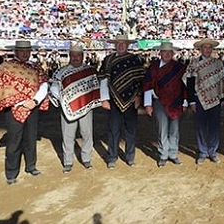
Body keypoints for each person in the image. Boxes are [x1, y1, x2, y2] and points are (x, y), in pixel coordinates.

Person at [0, 40, 50, 185]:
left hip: (33, 107)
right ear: (16, 52)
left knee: (31, 138)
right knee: (14, 140)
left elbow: (44, 84)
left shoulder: (36, 68)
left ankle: (31, 166)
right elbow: (3, 89)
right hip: (14, 109)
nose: (25, 54)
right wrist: (21, 102)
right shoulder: (6, 68)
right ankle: (11, 172)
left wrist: (34, 101)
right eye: (22, 51)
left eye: (27, 51)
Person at [49, 42, 104, 173]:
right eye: (73, 55)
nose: (75, 58)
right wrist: (59, 97)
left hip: (86, 107)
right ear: (69, 56)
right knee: (68, 135)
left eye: (78, 55)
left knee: (87, 133)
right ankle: (68, 161)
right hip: (68, 109)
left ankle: (86, 159)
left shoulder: (90, 71)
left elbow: (96, 86)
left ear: (83, 56)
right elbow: (54, 87)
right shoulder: (61, 72)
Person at [98, 34, 145, 169]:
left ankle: (130, 157)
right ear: (115, 45)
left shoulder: (135, 59)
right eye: (118, 43)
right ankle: (112, 157)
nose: (121, 45)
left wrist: (138, 96)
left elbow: (140, 80)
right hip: (113, 100)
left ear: (128, 45)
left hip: (131, 100)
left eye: (123, 43)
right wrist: (104, 99)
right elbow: (104, 80)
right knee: (113, 130)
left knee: (131, 130)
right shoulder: (108, 60)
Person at [184, 38, 224, 164]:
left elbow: (222, 81)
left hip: (215, 99)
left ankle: (212, 151)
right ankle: (202, 152)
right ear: (201, 49)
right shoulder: (193, 64)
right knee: (200, 127)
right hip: (199, 100)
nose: (207, 50)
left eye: (210, 47)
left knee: (214, 127)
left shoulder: (218, 63)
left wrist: (222, 98)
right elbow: (189, 83)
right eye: (205, 47)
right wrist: (191, 101)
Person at [143, 41, 188, 167]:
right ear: (160, 53)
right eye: (164, 52)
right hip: (159, 102)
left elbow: (185, 87)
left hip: (176, 102)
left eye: (169, 52)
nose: (167, 54)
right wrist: (148, 104)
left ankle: (173, 154)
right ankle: (163, 154)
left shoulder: (180, 68)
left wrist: (185, 102)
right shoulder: (153, 68)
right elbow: (147, 86)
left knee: (175, 130)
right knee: (161, 129)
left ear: (172, 53)